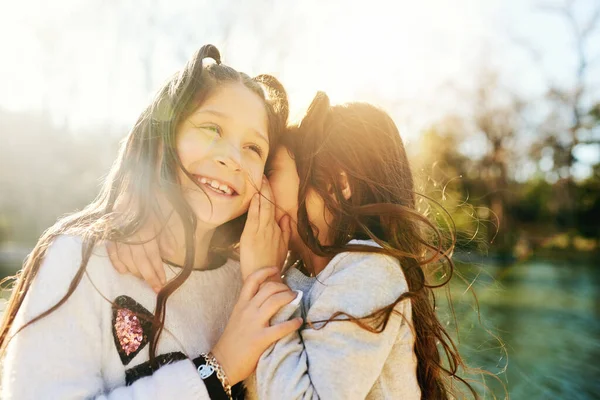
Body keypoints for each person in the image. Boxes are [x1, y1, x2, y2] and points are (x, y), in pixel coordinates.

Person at [122, 92, 479, 399]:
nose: (257, 184)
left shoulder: (369, 272)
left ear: (337, 185)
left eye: (271, 172)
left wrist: (263, 279)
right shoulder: (292, 274)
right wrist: (142, 229)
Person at [0, 44, 301, 400]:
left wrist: (260, 279)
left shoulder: (248, 279)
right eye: (211, 128)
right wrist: (216, 368)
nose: (232, 158)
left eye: (254, 148)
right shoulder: (81, 259)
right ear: (162, 140)